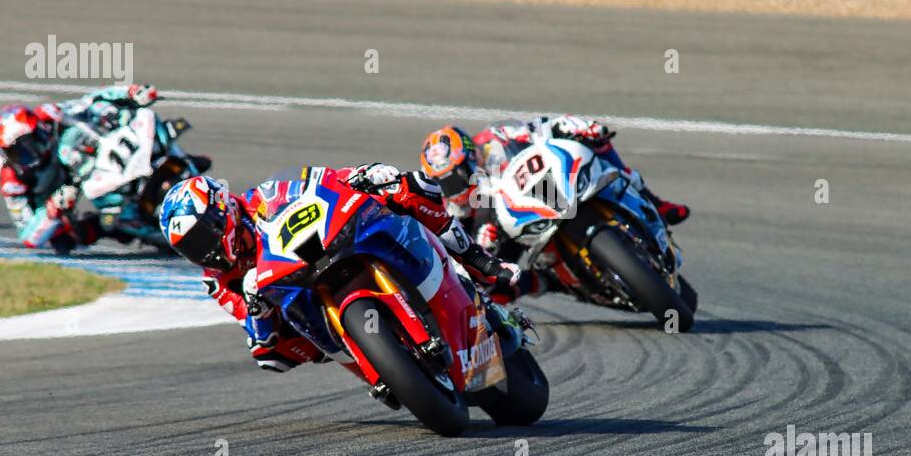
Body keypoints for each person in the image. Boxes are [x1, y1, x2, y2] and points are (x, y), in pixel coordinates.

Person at [157, 165, 520, 374]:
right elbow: (263, 347)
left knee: (406, 184)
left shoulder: (266, 196)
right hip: (311, 308)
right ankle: (380, 367)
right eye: (190, 248)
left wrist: (363, 175)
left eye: (201, 236)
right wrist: (259, 311)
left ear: (222, 211)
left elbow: (326, 179)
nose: (202, 251)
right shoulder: (222, 281)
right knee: (271, 357)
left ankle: (477, 260)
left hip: (337, 247)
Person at [418, 114, 690, 298]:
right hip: (517, 231)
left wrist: (577, 127)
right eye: (446, 183)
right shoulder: (454, 208)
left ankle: (654, 202)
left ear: (471, 155)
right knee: (496, 289)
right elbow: (459, 247)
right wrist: (482, 245)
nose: (457, 185)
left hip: (550, 188)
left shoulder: (496, 139)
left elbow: (541, 126)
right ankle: (553, 285)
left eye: (458, 173)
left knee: (595, 139)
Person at [0, 83, 166, 252]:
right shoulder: (12, 181)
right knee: (65, 240)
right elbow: (28, 236)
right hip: (55, 192)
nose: (32, 153)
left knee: (102, 111)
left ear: (39, 128)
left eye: (33, 142)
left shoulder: (47, 114)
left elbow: (90, 101)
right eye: (19, 152)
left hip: (82, 157)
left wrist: (130, 92)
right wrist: (53, 208)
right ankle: (124, 225)